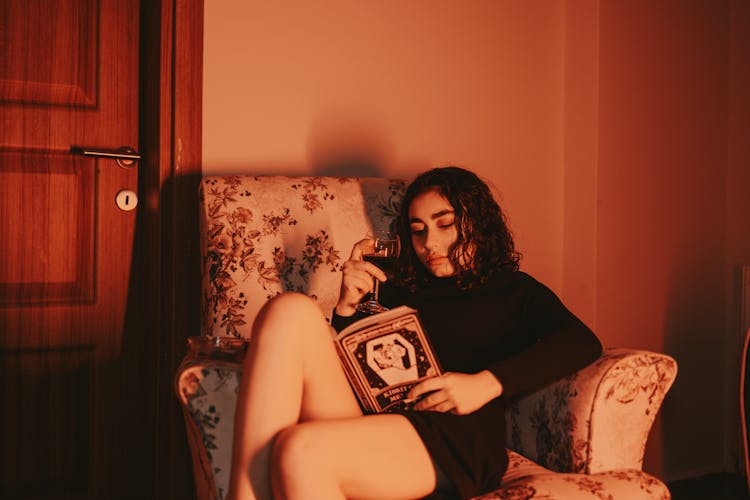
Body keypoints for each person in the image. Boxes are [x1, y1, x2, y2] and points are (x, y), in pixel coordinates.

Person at [227, 166, 602, 500]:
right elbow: (353, 368)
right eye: (418, 231)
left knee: (300, 449)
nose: (429, 244)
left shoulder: (515, 291)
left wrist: (485, 384)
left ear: (477, 221)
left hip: (450, 436)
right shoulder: (396, 285)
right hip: (369, 418)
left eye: (444, 223)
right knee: (289, 309)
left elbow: (581, 342)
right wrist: (345, 309)